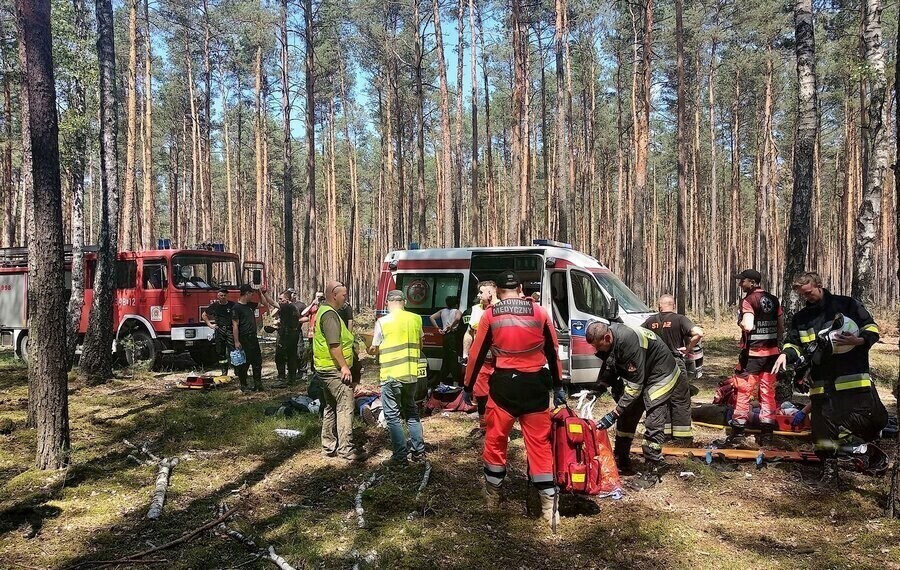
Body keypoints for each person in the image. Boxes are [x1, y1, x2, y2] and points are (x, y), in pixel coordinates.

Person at [464, 271, 563, 528]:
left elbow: (476, 355)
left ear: (497, 292)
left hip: (504, 386)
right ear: (520, 288)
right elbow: (553, 351)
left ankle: (492, 497)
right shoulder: (540, 313)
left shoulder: (490, 315)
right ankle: (548, 507)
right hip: (536, 387)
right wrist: (559, 384)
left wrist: (467, 385)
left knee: (496, 440)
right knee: (539, 445)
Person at [772, 272, 888, 487]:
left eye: (809, 293)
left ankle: (863, 449)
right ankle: (830, 474)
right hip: (822, 384)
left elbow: (871, 327)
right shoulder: (802, 318)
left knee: (875, 420)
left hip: (854, 379)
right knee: (822, 434)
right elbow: (794, 345)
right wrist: (784, 354)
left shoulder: (847, 305)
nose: (807, 298)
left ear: (819, 285)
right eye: (802, 295)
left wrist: (860, 340)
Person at [586, 320, 687, 490]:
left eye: (599, 346)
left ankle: (651, 469)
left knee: (653, 420)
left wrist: (613, 414)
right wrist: (600, 386)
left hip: (662, 374)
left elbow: (634, 388)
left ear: (607, 337)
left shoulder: (628, 342)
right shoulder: (612, 340)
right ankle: (621, 458)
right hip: (644, 374)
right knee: (628, 415)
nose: (597, 351)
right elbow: (611, 364)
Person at [369, 289, 426, 466]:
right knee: (411, 412)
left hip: (391, 375)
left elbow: (374, 347)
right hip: (411, 374)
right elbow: (420, 343)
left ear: (388, 303)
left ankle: (400, 456)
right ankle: (419, 452)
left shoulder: (383, 322)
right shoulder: (416, 319)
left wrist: (370, 350)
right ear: (404, 302)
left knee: (392, 416)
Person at [727, 269, 783, 448]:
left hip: (752, 355)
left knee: (743, 391)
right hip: (772, 354)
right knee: (768, 393)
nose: (740, 284)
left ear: (751, 282)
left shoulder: (748, 300)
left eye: (742, 281)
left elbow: (748, 325)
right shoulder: (774, 299)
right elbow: (781, 326)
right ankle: (767, 433)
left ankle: (738, 432)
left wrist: (740, 322)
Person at [314, 281, 365, 462]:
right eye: (344, 295)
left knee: (331, 406)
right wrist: (344, 366)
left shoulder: (327, 312)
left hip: (324, 367)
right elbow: (334, 345)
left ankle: (328, 446)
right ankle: (346, 449)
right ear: (333, 295)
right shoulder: (329, 315)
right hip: (332, 368)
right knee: (345, 404)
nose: (346, 298)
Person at [641, 294, 700, 445]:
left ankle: (664, 434)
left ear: (659, 306)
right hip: (674, 362)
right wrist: (688, 348)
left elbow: (638, 337)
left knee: (661, 398)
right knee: (680, 398)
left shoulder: (650, 321)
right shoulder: (679, 319)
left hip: (656, 366)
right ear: (673, 305)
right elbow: (698, 333)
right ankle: (682, 437)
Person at [463, 280, 498, 434]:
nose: (478, 296)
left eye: (481, 292)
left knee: (497, 395)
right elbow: (469, 333)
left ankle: (498, 428)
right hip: (481, 360)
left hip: (498, 360)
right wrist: (466, 353)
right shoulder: (476, 309)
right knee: (481, 394)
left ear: (490, 293)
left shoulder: (501, 308)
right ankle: (484, 426)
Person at [232, 284, 263, 392]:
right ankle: (244, 385)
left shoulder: (250, 305)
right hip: (243, 338)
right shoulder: (236, 308)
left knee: (257, 361)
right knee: (244, 363)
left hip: (253, 338)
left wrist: (260, 293)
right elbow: (235, 325)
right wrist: (236, 341)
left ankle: (258, 384)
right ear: (246, 293)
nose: (252, 296)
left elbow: (263, 304)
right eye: (251, 294)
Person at [202, 288, 235, 376]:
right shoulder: (215, 306)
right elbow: (204, 315)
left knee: (233, 351)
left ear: (227, 296)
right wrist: (210, 325)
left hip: (230, 330)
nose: (223, 297)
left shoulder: (232, 305)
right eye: (221, 295)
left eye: (225, 295)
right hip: (219, 330)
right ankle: (224, 372)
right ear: (218, 296)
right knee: (221, 352)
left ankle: (237, 370)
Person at [429, 295, 463, 384]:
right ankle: (455, 381)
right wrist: (451, 326)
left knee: (445, 358)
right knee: (454, 359)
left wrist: (438, 328)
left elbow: (431, 317)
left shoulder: (442, 311)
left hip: (445, 336)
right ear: (456, 304)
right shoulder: (457, 311)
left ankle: (441, 381)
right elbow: (458, 318)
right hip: (453, 335)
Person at [273, 290, 301, 387]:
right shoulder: (294, 307)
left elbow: (272, 305)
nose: (279, 301)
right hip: (293, 334)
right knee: (292, 357)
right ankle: (291, 379)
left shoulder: (286, 306)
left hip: (286, 336)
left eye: (281, 299)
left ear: (287, 300)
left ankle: (281, 379)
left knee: (280, 357)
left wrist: (264, 294)